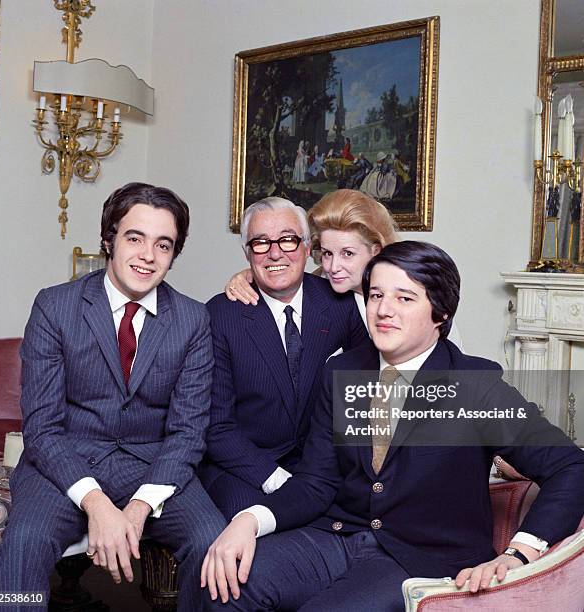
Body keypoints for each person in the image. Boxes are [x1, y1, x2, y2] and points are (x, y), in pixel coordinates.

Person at [201, 241, 584, 611]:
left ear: (441, 312)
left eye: (405, 298)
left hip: (422, 558)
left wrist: (521, 552)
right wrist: (249, 520)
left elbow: (571, 466)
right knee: (219, 581)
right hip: (336, 536)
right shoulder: (342, 371)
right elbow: (316, 483)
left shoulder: (475, 385)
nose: (384, 310)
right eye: (376, 295)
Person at [0, 183, 225, 612]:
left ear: (175, 254)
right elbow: (42, 427)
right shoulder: (54, 306)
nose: (147, 255)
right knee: (21, 549)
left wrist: (137, 510)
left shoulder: (192, 320)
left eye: (163, 244)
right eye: (134, 238)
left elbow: (189, 431)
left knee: (213, 543)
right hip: (64, 463)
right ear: (109, 239)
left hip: (154, 467)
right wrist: (96, 503)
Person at [201, 197, 368, 520]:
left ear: (307, 248)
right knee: (252, 535)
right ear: (247, 253)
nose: (275, 252)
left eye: (288, 240)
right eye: (261, 243)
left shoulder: (341, 304)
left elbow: (368, 390)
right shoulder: (221, 315)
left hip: (321, 466)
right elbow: (216, 426)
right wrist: (279, 481)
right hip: (246, 468)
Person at [225, 189, 462, 348]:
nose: (333, 267)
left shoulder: (418, 300)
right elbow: (279, 274)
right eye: (327, 253)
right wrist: (247, 277)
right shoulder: (323, 289)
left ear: (376, 250)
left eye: (348, 254)